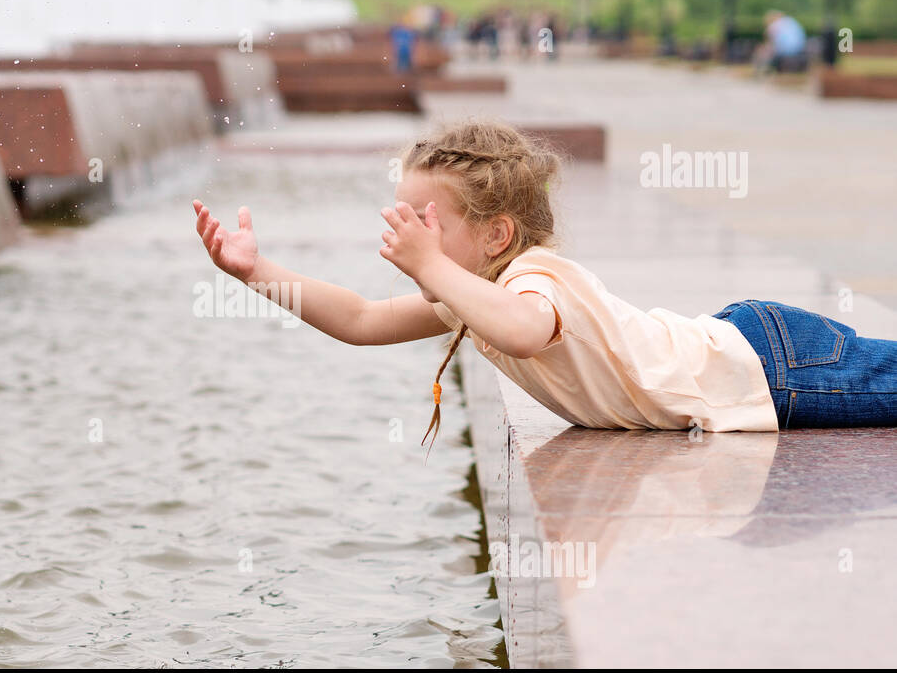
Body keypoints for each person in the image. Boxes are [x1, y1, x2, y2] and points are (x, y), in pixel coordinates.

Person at [191, 120, 897, 448]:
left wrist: (431, 266)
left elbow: (528, 331)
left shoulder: (533, 280)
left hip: (770, 364)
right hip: (748, 354)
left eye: (426, 219)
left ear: (496, 235)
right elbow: (362, 319)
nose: (407, 228)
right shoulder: (476, 293)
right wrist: (258, 273)